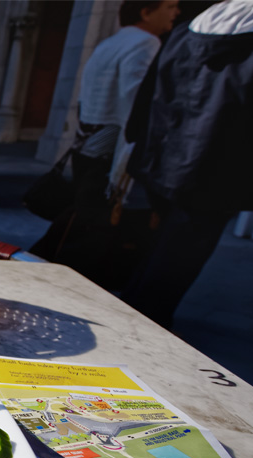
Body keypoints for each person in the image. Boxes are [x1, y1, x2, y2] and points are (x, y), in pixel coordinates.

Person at [120, 0, 253, 328]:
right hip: (215, 170)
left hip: (164, 158)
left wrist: (138, 142)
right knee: (181, 256)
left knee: (157, 245)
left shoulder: (186, 31)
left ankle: (132, 311)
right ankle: (144, 326)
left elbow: (149, 94)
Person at [29, 0, 180, 289]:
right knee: (97, 227)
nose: (176, 12)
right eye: (170, 6)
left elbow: (86, 99)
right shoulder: (146, 43)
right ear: (146, 11)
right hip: (111, 154)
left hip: (89, 145)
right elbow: (135, 105)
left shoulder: (107, 44)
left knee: (83, 218)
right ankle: (64, 280)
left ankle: (52, 272)